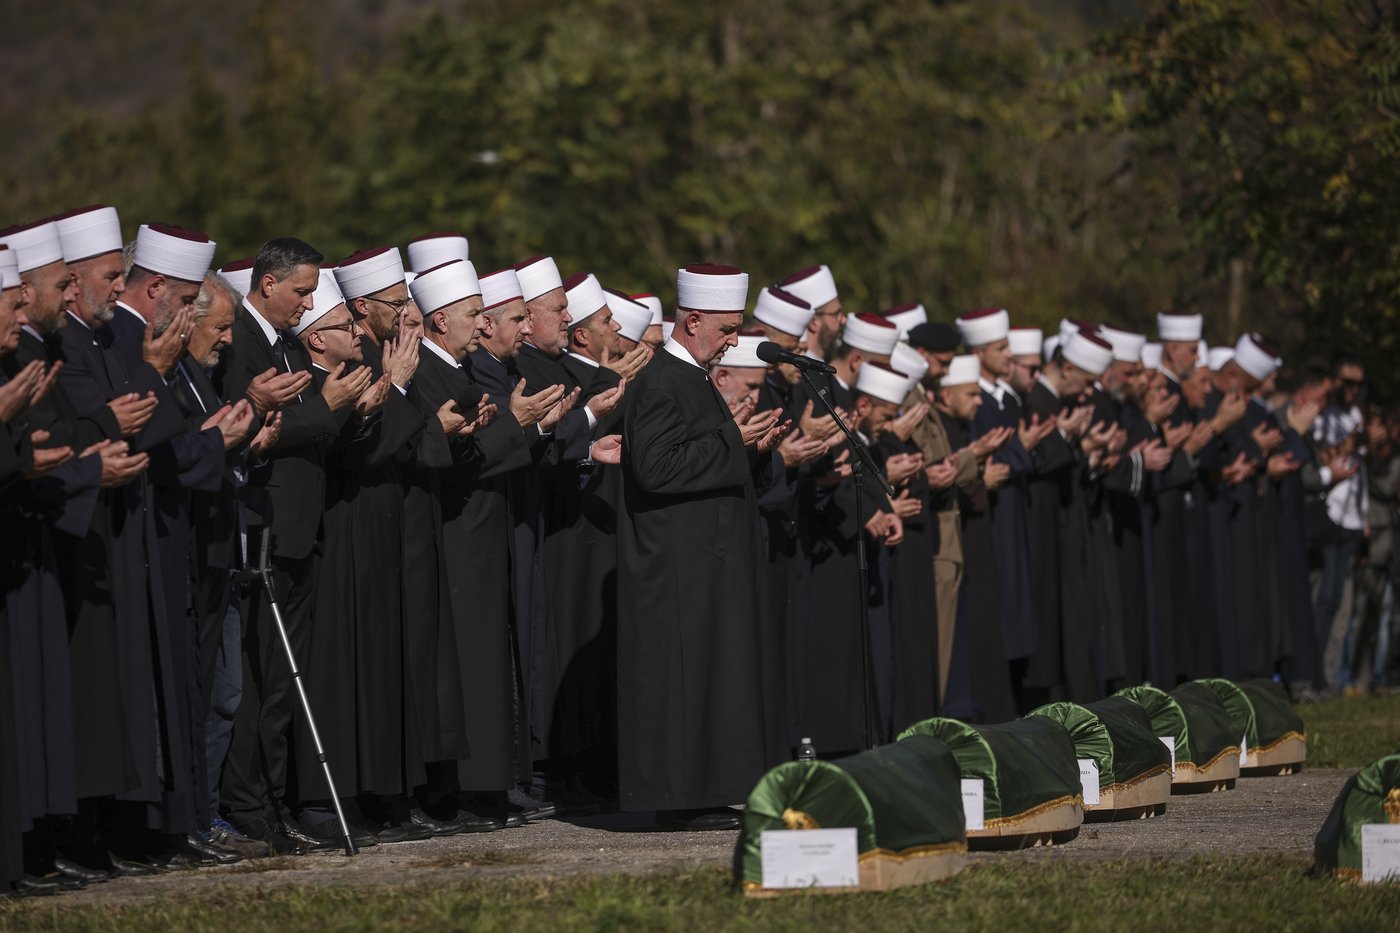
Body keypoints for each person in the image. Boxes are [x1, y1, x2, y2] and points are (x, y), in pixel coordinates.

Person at [617, 263, 788, 830]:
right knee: (684, 680)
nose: (736, 339)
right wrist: (729, 441)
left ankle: (709, 788)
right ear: (692, 321)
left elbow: (707, 457)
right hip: (677, 564)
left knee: (716, 676)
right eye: (728, 328)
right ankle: (680, 796)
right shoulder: (663, 380)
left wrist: (753, 449)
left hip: (706, 560)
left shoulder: (692, 380)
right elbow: (657, 469)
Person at [214, 237, 370, 854]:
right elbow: (255, 428)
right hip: (264, 528)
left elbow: (301, 426)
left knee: (282, 680)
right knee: (258, 677)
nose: (307, 306)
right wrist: (328, 407)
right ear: (269, 283)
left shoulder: (280, 344)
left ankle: (272, 800)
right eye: (302, 292)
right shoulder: (244, 343)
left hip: (300, 527)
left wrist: (344, 410)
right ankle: (249, 804)